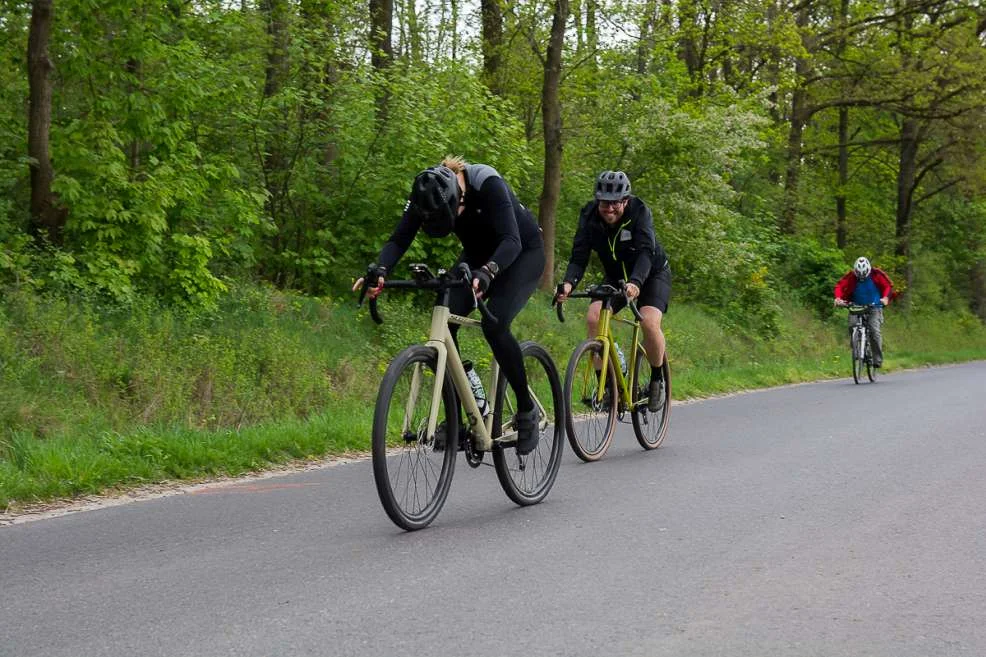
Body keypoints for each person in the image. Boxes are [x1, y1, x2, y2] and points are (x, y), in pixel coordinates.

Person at [353, 156, 545, 454]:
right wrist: (379, 271)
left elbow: (512, 240)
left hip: (521, 253)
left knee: (495, 324)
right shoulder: (427, 192)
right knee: (445, 316)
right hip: (477, 255)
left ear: (459, 195)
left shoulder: (487, 183)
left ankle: (526, 409)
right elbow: (399, 239)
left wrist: (489, 272)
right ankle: (467, 406)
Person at [555, 170, 671, 412]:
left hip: (650, 274)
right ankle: (608, 389)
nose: (609, 209)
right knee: (593, 319)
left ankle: (657, 379)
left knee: (649, 323)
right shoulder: (588, 216)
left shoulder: (639, 212)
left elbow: (646, 252)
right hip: (617, 277)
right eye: (604, 203)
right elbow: (579, 255)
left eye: (615, 203)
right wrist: (568, 284)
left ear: (625, 201)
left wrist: (636, 283)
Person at [834, 256, 893, 368]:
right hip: (856, 306)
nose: (861, 277)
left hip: (874, 306)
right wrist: (838, 298)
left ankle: (877, 359)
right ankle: (855, 349)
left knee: (874, 330)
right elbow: (840, 286)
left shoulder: (876, 275)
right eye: (858, 275)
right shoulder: (851, 276)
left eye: (864, 275)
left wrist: (885, 298)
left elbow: (887, 286)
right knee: (852, 325)